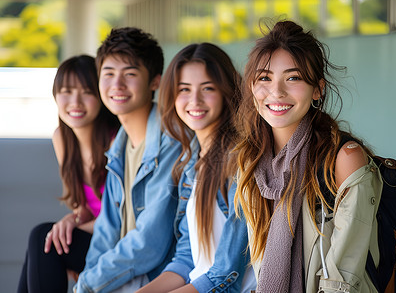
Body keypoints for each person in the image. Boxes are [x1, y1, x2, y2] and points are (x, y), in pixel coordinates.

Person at [233, 20, 383, 293]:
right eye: (265, 78)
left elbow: (342, 282)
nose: (276, 91)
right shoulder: (253, 160)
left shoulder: (343, 158)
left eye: (293, 78)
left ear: (318, 89)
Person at [137, 43, 256, 293]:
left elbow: (227, 275)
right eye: (184, 89)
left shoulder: (240, 162)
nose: (195, 100)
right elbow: (187, 260)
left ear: (227, 92)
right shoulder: (191, 165)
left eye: (208, 89)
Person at [73, 27, 182, 293]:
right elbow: (106, 232)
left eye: (130, 74)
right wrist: (86, 282)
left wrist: (87, 286)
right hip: (125, 273)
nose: (117, 85)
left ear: (155, 82)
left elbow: (149, 243)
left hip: (155, 277)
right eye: (108, 74)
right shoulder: (119, 146)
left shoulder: (171, 143)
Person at [18, 55, 120, 293]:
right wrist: (70, 220)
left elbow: (121, 216)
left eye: (86, 92)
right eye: (66, 91)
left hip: (117, 240)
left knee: (44, 237)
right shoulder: (62, 138)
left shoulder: (118, 141)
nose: (75, 102)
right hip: (92, 234)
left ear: (101, 96)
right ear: (55, 95)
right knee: (44, 238)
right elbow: (83, 207)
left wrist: (69, 231)